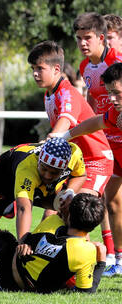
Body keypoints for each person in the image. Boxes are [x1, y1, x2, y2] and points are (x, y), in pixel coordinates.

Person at [27, 40, 114, 263]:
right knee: (53, 210)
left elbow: (65, 121)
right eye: (33, 69)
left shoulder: (66, 92)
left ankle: (97, 259)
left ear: (56, 69)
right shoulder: (49, 94)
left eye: (40, 68)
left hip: (96, 161)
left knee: (77, 211)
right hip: (77, 164)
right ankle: (50, 258)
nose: (35, 74)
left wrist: (50, 140)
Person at [51, 62, 122, 276]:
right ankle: (117, 259)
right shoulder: (115, 113)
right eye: (110, 93)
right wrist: (66, 136)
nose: (112, 99)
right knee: (112, 203)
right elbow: (96, 123)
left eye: (117, 93)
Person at [73, 12, 122, 273]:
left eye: (87, 38)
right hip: (106, 138)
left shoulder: (118, 62)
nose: (82, 43)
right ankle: (114, 256)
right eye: (78, 38)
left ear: (101, 38)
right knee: (106, 200)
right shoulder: (84, 67)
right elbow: (93, 106)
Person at [0, 193, 106, 293]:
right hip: (20, 285)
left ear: (69, 214)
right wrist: (101, 263)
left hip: (3, 263)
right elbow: (85, 291)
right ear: (94, 226)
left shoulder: (52, 220)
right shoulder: (85, 250)